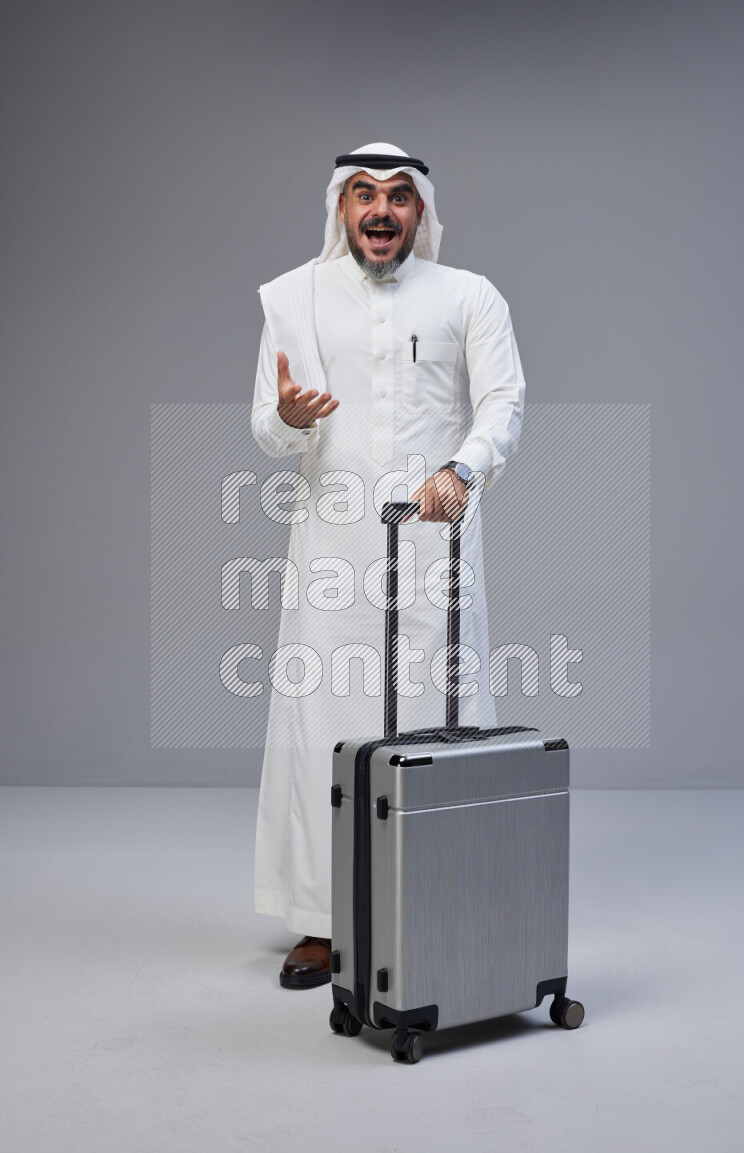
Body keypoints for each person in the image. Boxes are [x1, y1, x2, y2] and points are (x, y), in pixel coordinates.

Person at [251, 142, 526, 988]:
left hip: (435, 539)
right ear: (340, 208)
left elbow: (504, 400)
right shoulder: (293, 297)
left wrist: (465, 469)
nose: (380, 210)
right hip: (333, 548)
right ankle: (322, 923)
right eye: (363, 194)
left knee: (443, 718)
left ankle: (441, 898)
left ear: (421, 212)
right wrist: (292, 417)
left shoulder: (469, 295)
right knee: (322, 722)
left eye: (398, 196)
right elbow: (266, 427)